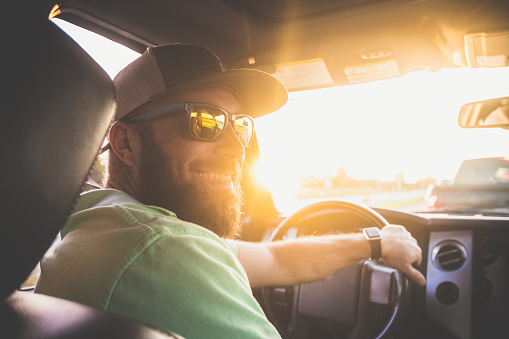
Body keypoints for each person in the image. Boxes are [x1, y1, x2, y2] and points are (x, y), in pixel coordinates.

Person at [35, 44, 425, 339]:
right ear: (126, 144)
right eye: (204, 122)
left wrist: (376, 242)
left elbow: (275, 260)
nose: (237, 147)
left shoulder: (101, 226)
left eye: (239, 126)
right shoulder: (163, 248)